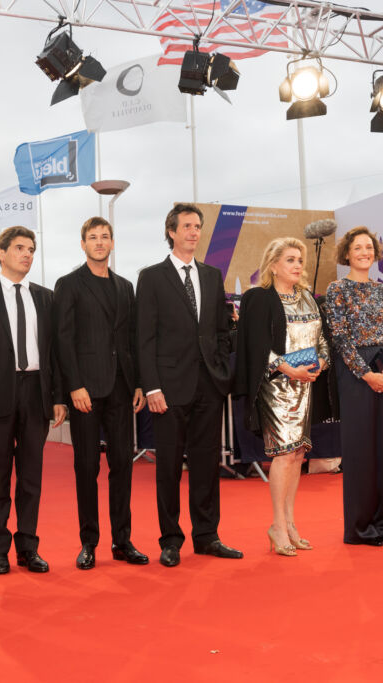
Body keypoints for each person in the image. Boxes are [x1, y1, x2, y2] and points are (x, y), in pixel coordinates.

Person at [136, 203, 242, 567]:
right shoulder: (151, 277)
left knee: (206, 465)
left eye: (198, 226)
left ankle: (207, 536)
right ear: (171, 231)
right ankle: (170, 540)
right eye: (187, 226)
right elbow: (144, 338)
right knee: (167, 467)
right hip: (167, 389)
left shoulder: (212, 276)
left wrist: (221, 370)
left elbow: (222, 329)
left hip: (208, 387)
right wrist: (151, 387)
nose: (194, 232)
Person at [0, 226, 66, 574]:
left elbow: (53, 353)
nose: (27, 254)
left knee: (31, 477)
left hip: (36, 392)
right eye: (20, 248)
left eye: (31, 249)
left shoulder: (45, 297)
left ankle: (28, 547)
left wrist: (57, 397)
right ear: (1, 252)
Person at [54, 217, 148, 570]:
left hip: (122, 388)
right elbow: (63, 340)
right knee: (87, 466)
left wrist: (138, 382)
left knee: (122, 464)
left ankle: (122, 541)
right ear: (83, 244)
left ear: (112, 243)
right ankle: (88, 542)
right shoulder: (69, 285)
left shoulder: (126, 287)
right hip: (86, 392)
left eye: (104, 237)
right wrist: (73, 385)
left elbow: (132, 340)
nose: (98, 242)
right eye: (92, 237)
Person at [235, 237, 330, 557]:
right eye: (290, 260)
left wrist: (321, 363)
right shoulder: (259, 298)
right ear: (273, 265)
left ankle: (289, 523)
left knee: (298, 454)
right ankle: (277, 524)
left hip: (307, 384)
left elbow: (322, 340)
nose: (297, 265)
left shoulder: (307, 298)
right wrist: (288, 369)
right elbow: (255, 347)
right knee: (283, 453)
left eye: (299, 260)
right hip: (276, 386)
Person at [322, 226, 383, 546]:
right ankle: (360, 527)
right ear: (347, 253)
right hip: (355, 371)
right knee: (360, 450)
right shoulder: (336, 290)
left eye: (368, 248)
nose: (364, 252)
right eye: (357, 248)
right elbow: (340, 338)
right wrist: (365, 373)